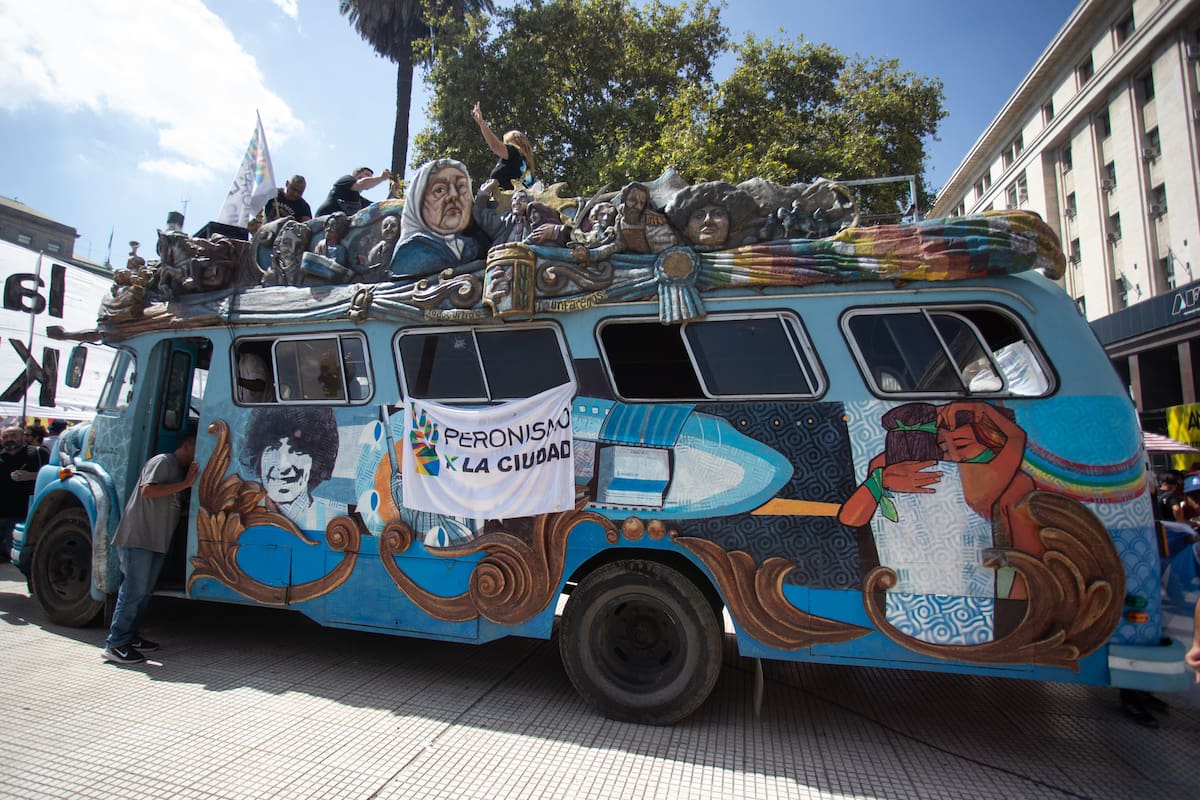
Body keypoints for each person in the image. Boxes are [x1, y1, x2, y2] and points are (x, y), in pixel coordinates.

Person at [101, 435, 198, 664]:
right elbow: (148, 491)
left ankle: (130, 636)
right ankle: (115, 643)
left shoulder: (180, 472)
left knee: (144, 592)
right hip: (140, 537)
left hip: (157, 540)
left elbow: (170, 504)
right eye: (196, 446)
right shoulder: (163, 462)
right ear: (185, 445)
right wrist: (186, 485)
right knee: (133, 590)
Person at [239, 407, 341, 529]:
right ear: (258, 456)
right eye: (273, 449)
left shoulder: (333, 515)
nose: (284, 465)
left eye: (297, 451)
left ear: (317, 460)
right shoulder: (241, 512)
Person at [392, 158, 492, 279]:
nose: (454, 195)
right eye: (440, 190)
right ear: (418, 202)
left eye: (461, 186)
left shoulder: (475, 245)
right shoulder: (411, 251)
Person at [0, 425, 48, 563]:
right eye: (5, 437)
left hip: (24, 514)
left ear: (23, 437)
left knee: (17, 555)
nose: (9, 439)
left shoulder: (38, 454)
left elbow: (55, 474)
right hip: (2, 512)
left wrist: (31, 476)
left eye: (13, 436)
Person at [471, 102, 537, 191]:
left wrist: (481, 123)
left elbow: (495, 145)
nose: (504, 145)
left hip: (504, 201)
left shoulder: (513, 152)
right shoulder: (528, 170)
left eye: (505, 142)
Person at [316, 167, 392, 217]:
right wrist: (381, 178)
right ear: (356, 174)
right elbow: (362, 184)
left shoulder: (360, 202)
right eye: (367, 175)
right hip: (322, 223)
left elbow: (381, 207)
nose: (370, 178)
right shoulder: (346, 179)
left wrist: (393, 191)